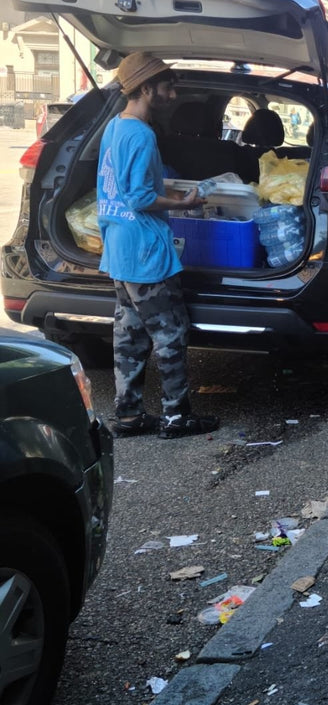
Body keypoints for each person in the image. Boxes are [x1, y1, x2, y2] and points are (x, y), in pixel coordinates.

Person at [97, 51, 220, 440]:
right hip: (145, 250)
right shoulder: (142, 134)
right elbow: (139, 197)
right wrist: (184, 204)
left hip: (119, 246)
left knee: (130, 335)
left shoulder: (115, 127)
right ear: (146, 88)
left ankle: (129, 415)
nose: (172, 94)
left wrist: (168, 191)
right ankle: (176, 417)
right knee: (171, 333)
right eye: (167, 87)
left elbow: (125, 185)